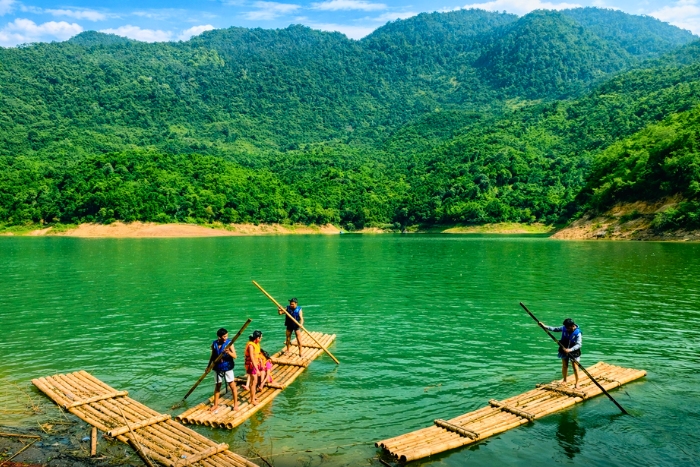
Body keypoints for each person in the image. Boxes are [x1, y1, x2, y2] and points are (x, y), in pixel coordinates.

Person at [539, 318, 582, 388]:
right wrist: (544, 326)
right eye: (566, 327)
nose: (566, 329)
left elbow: (579, 344)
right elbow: (555, 329)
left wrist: (570, 350)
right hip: (564, 348)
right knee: (565, 365)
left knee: (575, 367)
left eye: (568, 328)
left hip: (574, 351)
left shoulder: (578, 333)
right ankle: (565, 380)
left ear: (572, 326)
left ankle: (577, 382)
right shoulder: (564, 328)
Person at [209, 328, 238, 412]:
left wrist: (228, 352)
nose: (226, 337)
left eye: (226, 336)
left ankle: (236, 404)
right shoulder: (214, 344)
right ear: (219, 337)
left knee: (232, 385)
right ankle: (215, 405)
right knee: (217, 385)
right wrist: (208, 366)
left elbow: (235, 356)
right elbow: (212, 356)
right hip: (217, 367)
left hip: (227, 367)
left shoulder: (229, 343)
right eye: (224, 336)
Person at [245, 330, 263, 405]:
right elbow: (252, 357)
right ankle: (252, 400)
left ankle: (253, 396)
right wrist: (257, 369)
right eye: (261, 337)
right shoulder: (251, 346)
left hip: (255, 364)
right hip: (251, 365)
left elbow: (257, 354)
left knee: (253, 382)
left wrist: (260, 361)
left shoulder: (257, 344)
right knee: (254, 382)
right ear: (257, 338)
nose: (261, 338)